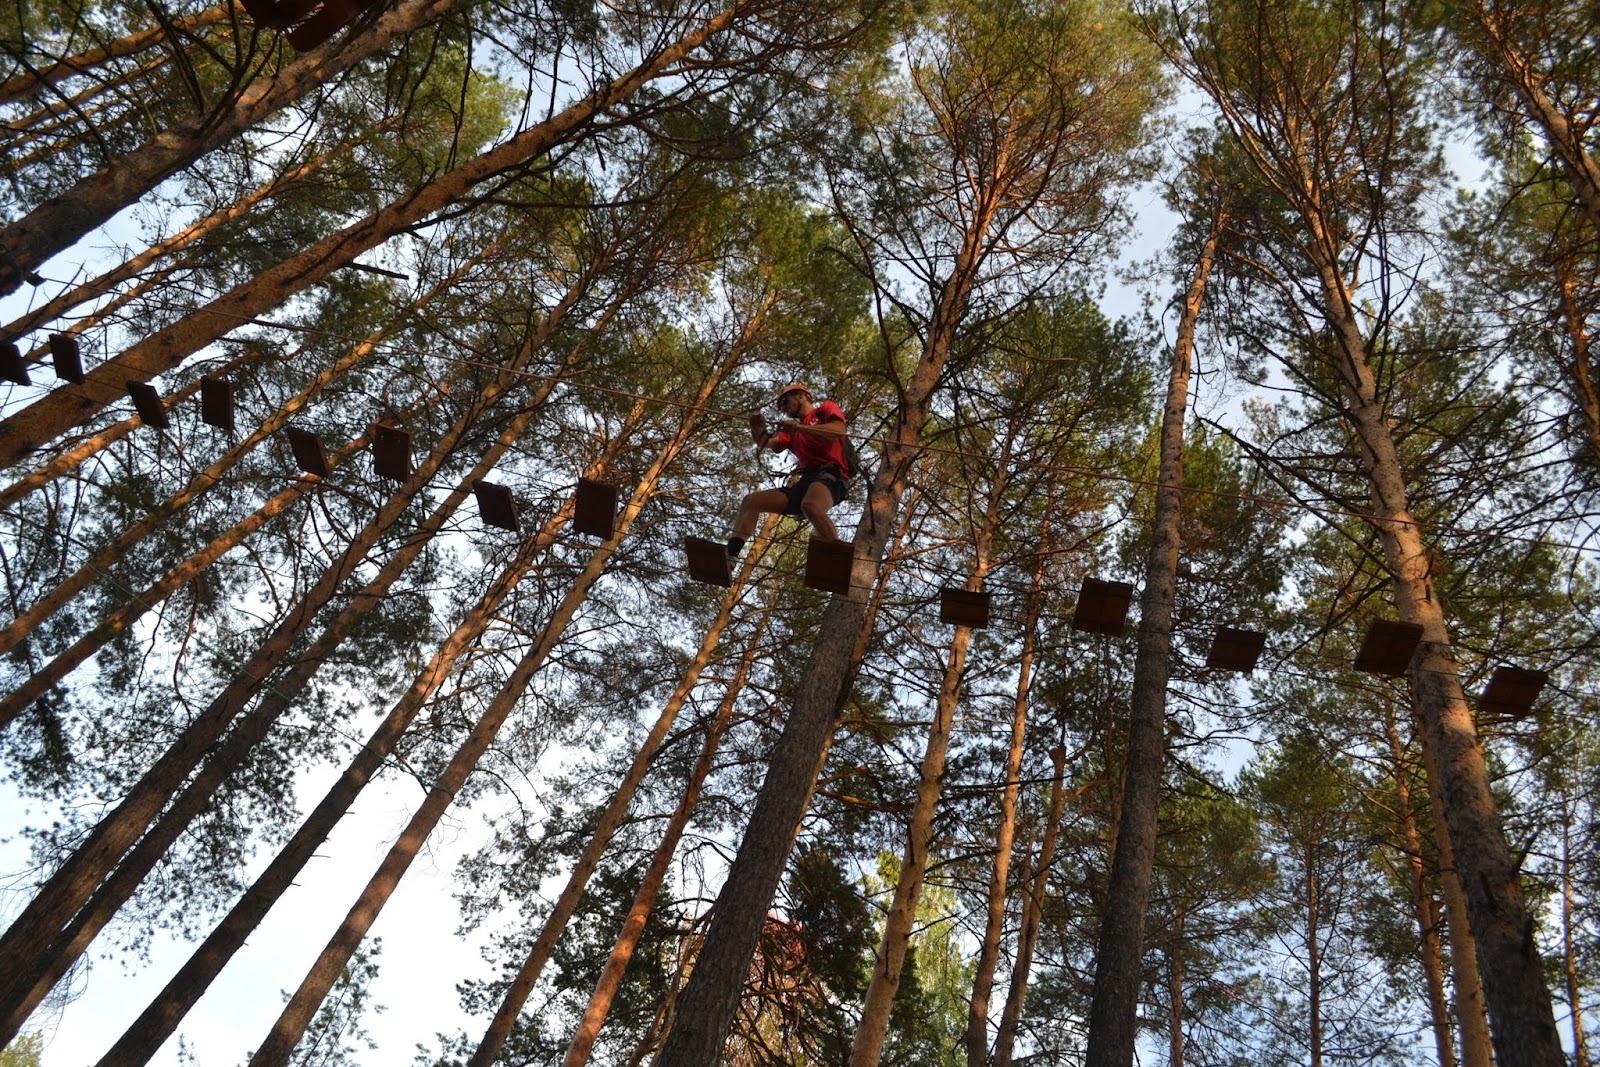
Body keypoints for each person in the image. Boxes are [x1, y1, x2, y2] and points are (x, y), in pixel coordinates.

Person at [727, 382, 849, 557]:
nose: (784, 407)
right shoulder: (792, 432)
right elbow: (766, 442)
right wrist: (756, 427)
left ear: (802, 396)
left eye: (785, 401)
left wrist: (800, 428)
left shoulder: (824, 409)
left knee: (811, 505)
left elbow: (838, 430)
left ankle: (836, 559)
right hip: (806, 482)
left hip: (832, 475)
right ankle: (731, 556)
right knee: (751, 502)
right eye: (781, 405)